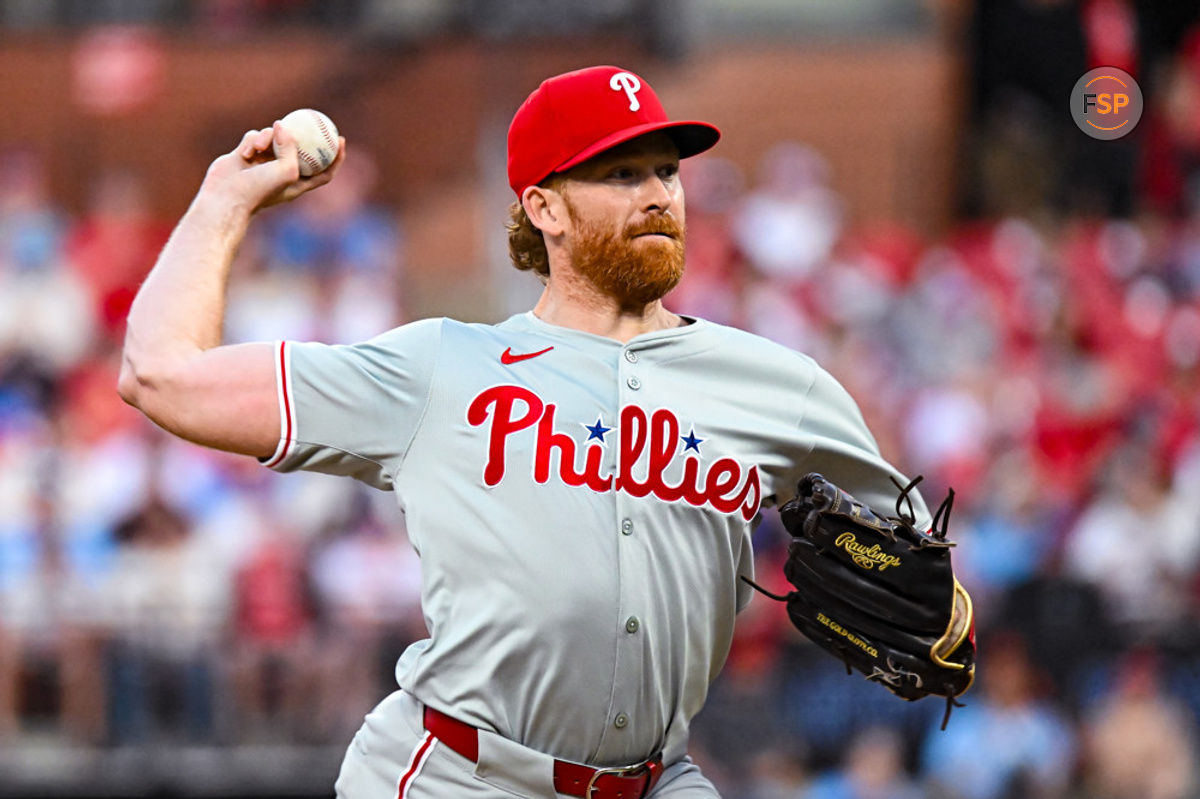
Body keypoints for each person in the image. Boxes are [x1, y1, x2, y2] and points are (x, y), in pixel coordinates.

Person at [119, 65, 928, 799]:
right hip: (457, 775)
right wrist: (224, 200)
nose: (658, 193)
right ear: (544, 206)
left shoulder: (777, 386)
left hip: (657, 781)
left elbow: (916, 557)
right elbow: (160, 374)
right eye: (620, 174)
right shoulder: (442, 366)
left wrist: (943, 614)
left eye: (667, 170)